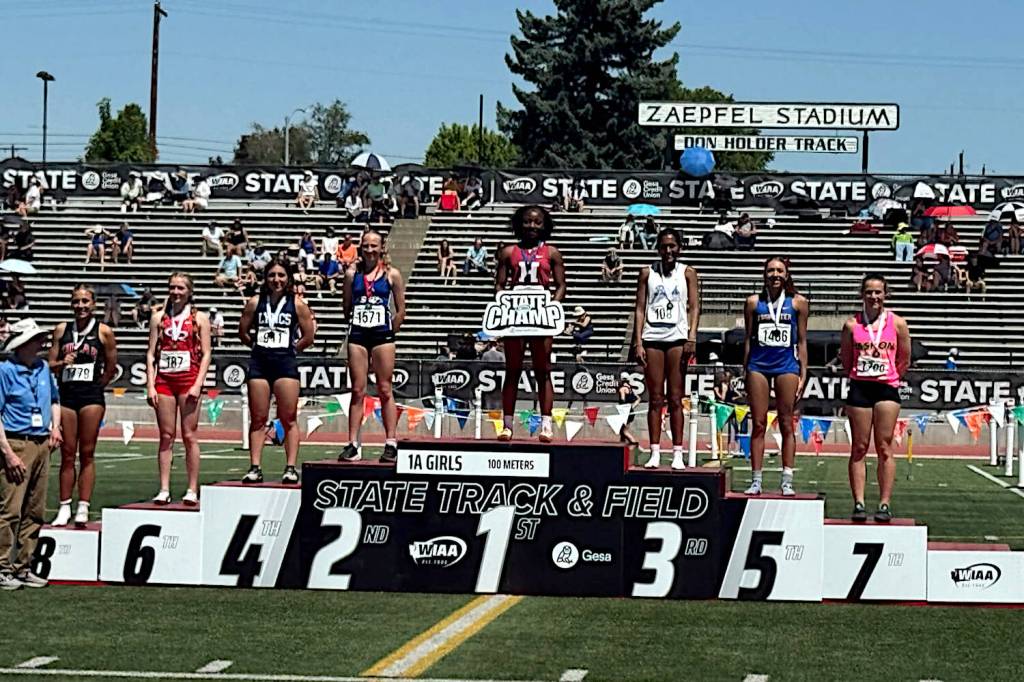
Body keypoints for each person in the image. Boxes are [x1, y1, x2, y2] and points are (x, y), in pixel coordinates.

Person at [840, 274, 911, 523]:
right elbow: (846, 358)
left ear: (885, 294)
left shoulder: (898, 324)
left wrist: (890, 375)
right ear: (862, 294)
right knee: (859, 446)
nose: (874, 297)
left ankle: (884, 503)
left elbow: (904, 358)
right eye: (869, 292)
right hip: (860, 387)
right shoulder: (852, 325)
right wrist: (859, 373)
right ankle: (859, 502)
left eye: (878, 292)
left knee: (884, 446)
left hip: (886, 389)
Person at [239, 260, 316, 484]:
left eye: (281, 275)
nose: (276, 280)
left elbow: (308, 336)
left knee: (288, 418)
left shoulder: (298, 304)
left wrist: (290, 349)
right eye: (272, 275)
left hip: (285, 364)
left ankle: (290, 467)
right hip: (260, 364)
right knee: (258, 418)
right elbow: (242, 332)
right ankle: (255, 467)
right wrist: (258, 347)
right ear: (266, 278)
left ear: (288, 278)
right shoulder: (255, 302)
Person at [495, 205, 566, 442]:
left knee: (543, 370)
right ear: (519, 224)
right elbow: (500, 284)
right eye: (527, 222)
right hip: (515, 317)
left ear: (545, 225)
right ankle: (507, 425)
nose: (532, 226)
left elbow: (561, 285)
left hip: (540, 318)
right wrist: (504, 303)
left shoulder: (553, 253)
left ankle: (546, 424)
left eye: (537, 222)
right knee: (512, 369)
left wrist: (550, 306)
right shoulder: (508, 252)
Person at [47, 285, 118, 527]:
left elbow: (111, 366)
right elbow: (51, 365)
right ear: (71, 304)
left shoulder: (104, 331)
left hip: (90, 397)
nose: (81, 306)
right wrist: (62, 362)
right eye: (77, 301)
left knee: (86, 453)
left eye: (85, 301)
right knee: (67, 453)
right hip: (66, 396)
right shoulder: (61, 330)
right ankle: (64, 505)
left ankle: (84, 506)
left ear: (93, 304)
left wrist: (98, 386)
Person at [0, 318, 62, 590]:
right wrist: (8, 454)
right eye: (37, 340)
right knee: (10, 510)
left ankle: (23, 565)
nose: (41, 344)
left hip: (41, 442)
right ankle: (2, 566)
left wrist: (55, 427)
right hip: (16, 442)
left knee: (35, 510)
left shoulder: (43, 368)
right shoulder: (4, 371)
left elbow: (54, 400)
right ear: (23, 344)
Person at [633, 227, 699, 469]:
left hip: (678, 338)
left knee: (675, 397)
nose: (668, 250)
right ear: (658, 248)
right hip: (652, 337)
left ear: (679, 248)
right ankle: (655, 451)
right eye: (664, 246)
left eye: (672, 246)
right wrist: (637, 341)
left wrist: (692, 336)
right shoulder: (646, 272)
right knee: (655, 398)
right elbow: (640, 308)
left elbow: (694, 306)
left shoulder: (688, 273)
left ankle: (678, 453)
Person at [742, 257, 808, 496]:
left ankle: (787, 479)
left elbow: (801, 340)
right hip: (758, 365)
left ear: (787, 274)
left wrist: (803, 372)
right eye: (771, 270)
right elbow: (748, 338)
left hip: (787, 366)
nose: (775, 275)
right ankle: (756, 480)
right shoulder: (753, 303)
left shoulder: (798, 303)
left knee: (786, 422)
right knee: (758, 423)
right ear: (764, 274)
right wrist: (745, 368)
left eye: (780, 270)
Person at [338, 230, 406, 462]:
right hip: (358, 334)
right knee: (357, 390)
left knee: (385, 389)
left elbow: (401, 310)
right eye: (365, 245)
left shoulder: (391, 274)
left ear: (381, 247)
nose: (369, 250)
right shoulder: (351, 274)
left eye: (373, 246)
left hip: (382, 336)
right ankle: (353, 443)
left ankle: (390, 442)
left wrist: (388, 332)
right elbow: (346, 306)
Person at [145, 273, 212, 505]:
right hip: (164, 381)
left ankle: (192, 488)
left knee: (189, 435)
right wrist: (150, 384)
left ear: (189, 291)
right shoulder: (158, 318)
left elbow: (206, 354)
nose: (175, 292)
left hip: (188, 379)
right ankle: (163, 488)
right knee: (166, 435)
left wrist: (198, 384)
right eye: (172, 287)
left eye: (180, 288)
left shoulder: (200, 318)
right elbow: (152, 353)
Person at [617, 374, 640, 447]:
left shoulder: (622, 389)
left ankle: (634, 443)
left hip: (626, 412)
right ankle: (622, 445)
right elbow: (638, 399)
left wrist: (624, 409)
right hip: (629, 411)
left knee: (624, 431)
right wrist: (632, 407)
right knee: (622, 430)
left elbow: (622, 401)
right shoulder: (630, 389)